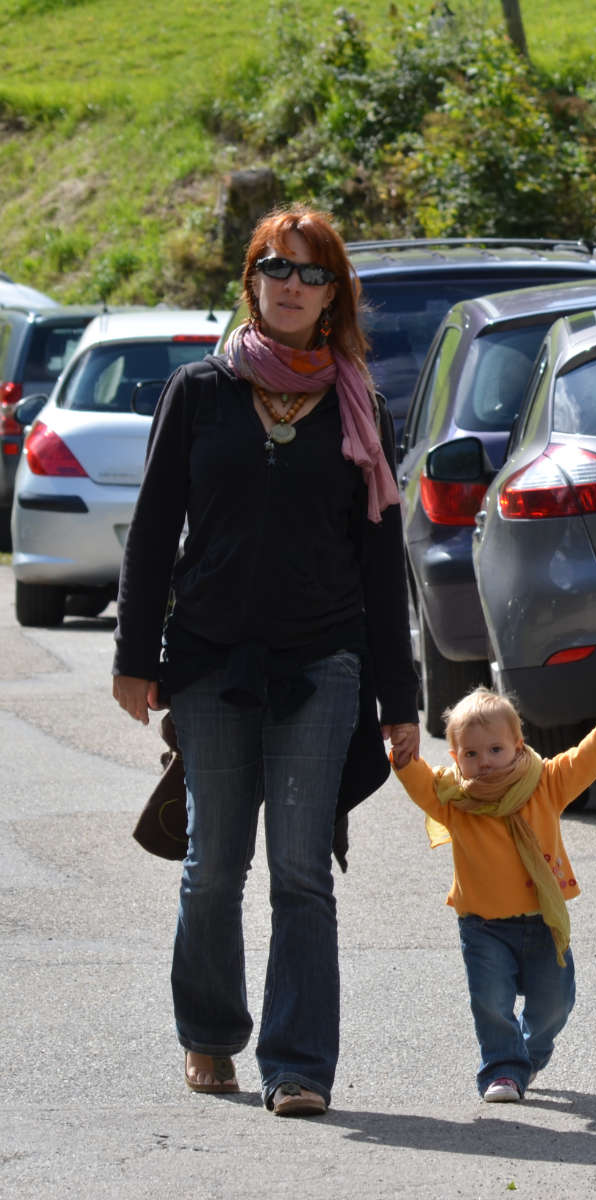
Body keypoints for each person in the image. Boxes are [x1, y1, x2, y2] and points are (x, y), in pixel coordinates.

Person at [112, 204, 420, 1117]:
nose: (291, 284)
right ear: (250, 281)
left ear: (333, 296)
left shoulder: (361, 405)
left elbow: (379, 559)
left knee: (300, 870)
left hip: (323, 661)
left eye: (311, 272)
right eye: (275, 268)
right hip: (209, 661)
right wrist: (136, 655)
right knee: (213, 864)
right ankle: (209, 1035)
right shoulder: (200, 391)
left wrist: (399, 701)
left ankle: (298, 1064)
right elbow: (155, 531)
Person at [390, 687, 596, 1102]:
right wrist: (403, 757)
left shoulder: (544, 784)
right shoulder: (455, 799)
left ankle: (528, 1055)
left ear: (517, 746)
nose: (484, 761)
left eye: (494, 749)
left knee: (554, 1005)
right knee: (490, 1002)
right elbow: (420, 783)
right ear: (455, 759)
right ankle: (502, 1069)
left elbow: (584, 760)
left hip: (541, 921)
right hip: (483, 924)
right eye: (470, 754)